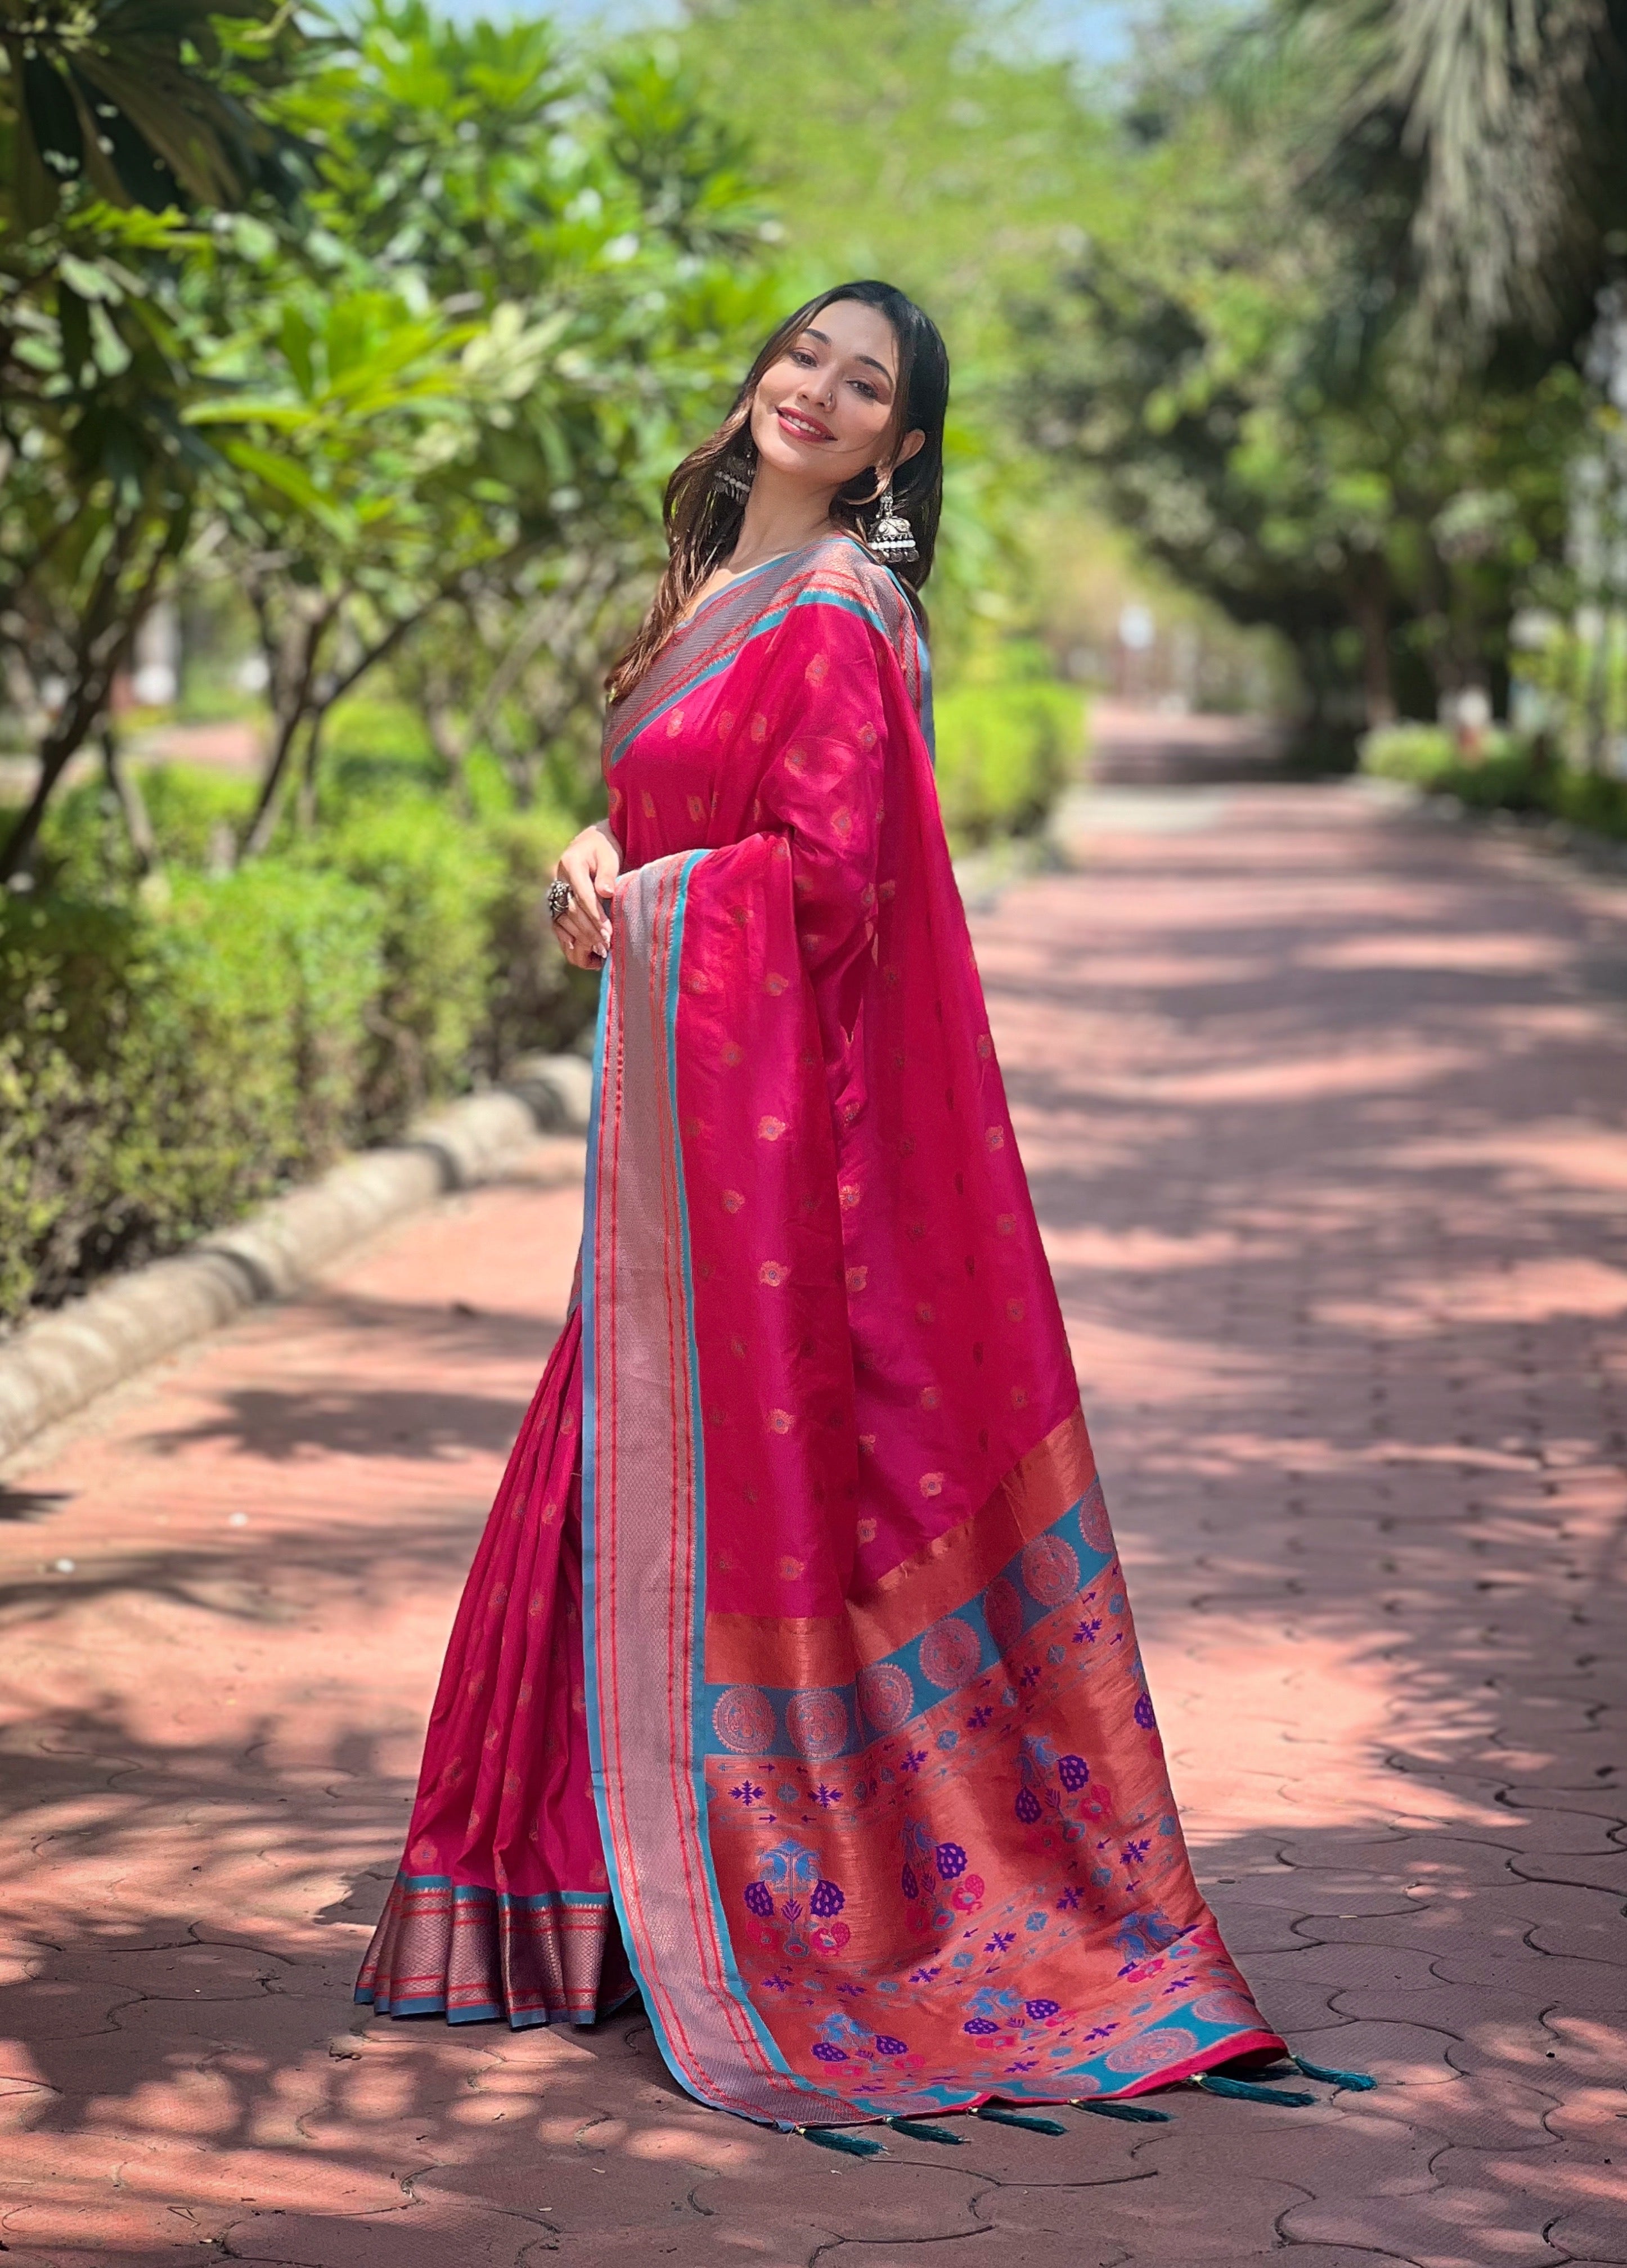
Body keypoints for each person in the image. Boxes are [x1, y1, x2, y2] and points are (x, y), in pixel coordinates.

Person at [357, 281, 1284, 2131]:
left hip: (764, 1167)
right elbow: (689, 815)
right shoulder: (710, 591)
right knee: (606, 1492)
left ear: (896, 446)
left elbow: (829, 888)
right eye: (804, 356)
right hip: (688, 1160)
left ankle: (727, 1908)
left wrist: (671, 897)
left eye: (864, 387)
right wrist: (599, 856)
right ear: (761, 374)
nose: (817, 391)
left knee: (699, 1498)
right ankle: (589, 1898)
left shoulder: (846, 613)